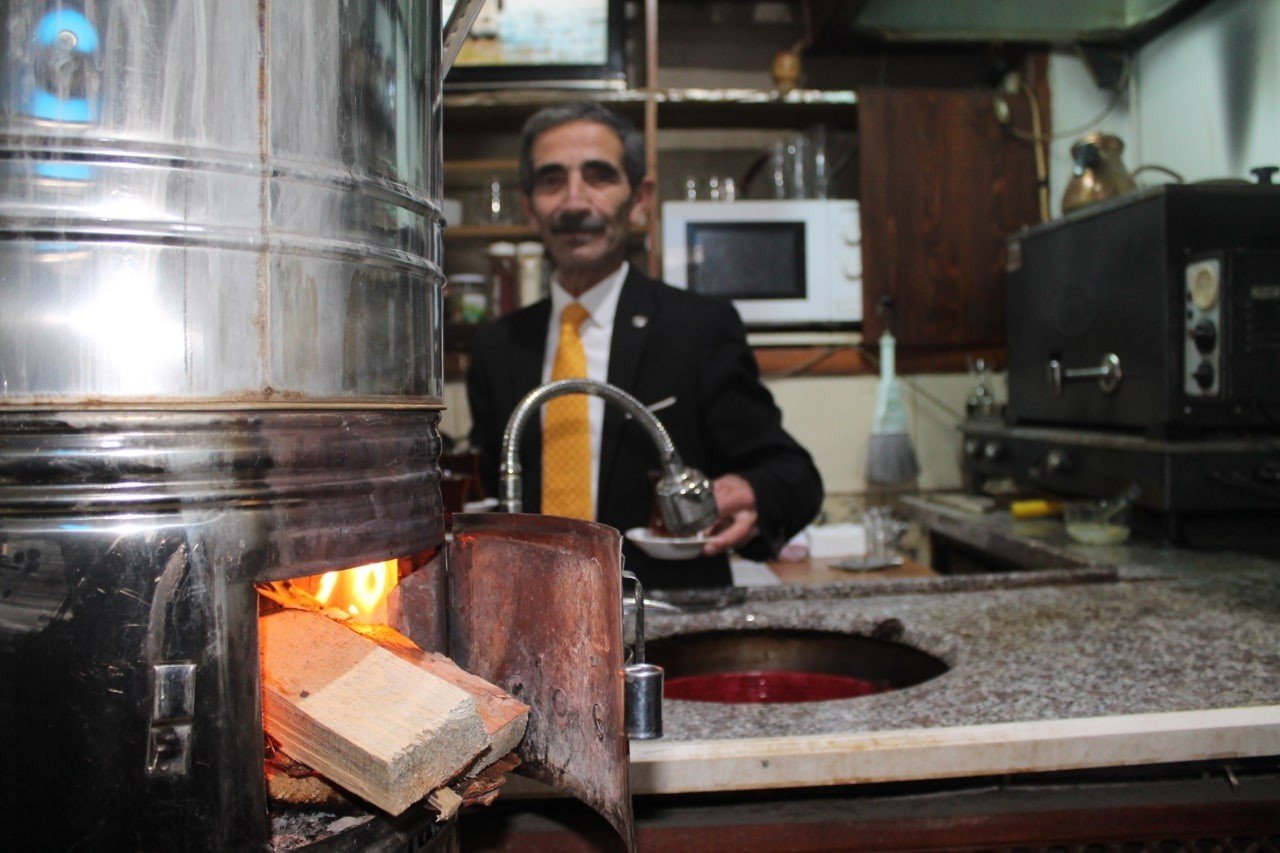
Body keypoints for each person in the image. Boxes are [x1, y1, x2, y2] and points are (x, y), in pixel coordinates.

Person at [466, 101, 823, 589]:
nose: (574, 201)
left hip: (665, 624)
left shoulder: (697, 329)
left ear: (639, 198)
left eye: (598, 177)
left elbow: (793, 474)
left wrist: (753, 493)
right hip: (531, 622)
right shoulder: (497, 346)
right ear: (529, 206)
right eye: (552, 180)